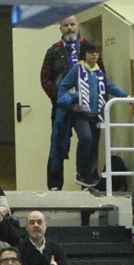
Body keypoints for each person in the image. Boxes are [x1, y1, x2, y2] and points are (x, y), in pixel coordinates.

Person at [41, 15, 87, 192]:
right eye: (65, 25)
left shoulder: (88, 48)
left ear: (78, 26)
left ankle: (85, 180)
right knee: (57, 144)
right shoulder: (53, 51)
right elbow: (45, 78)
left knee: (87, 140)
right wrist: (58, 98)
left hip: (84, 107)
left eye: (72, 25)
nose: (69, 28)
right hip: (61, 106)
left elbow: (100, 75)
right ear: (60, 28)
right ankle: (54, 185)